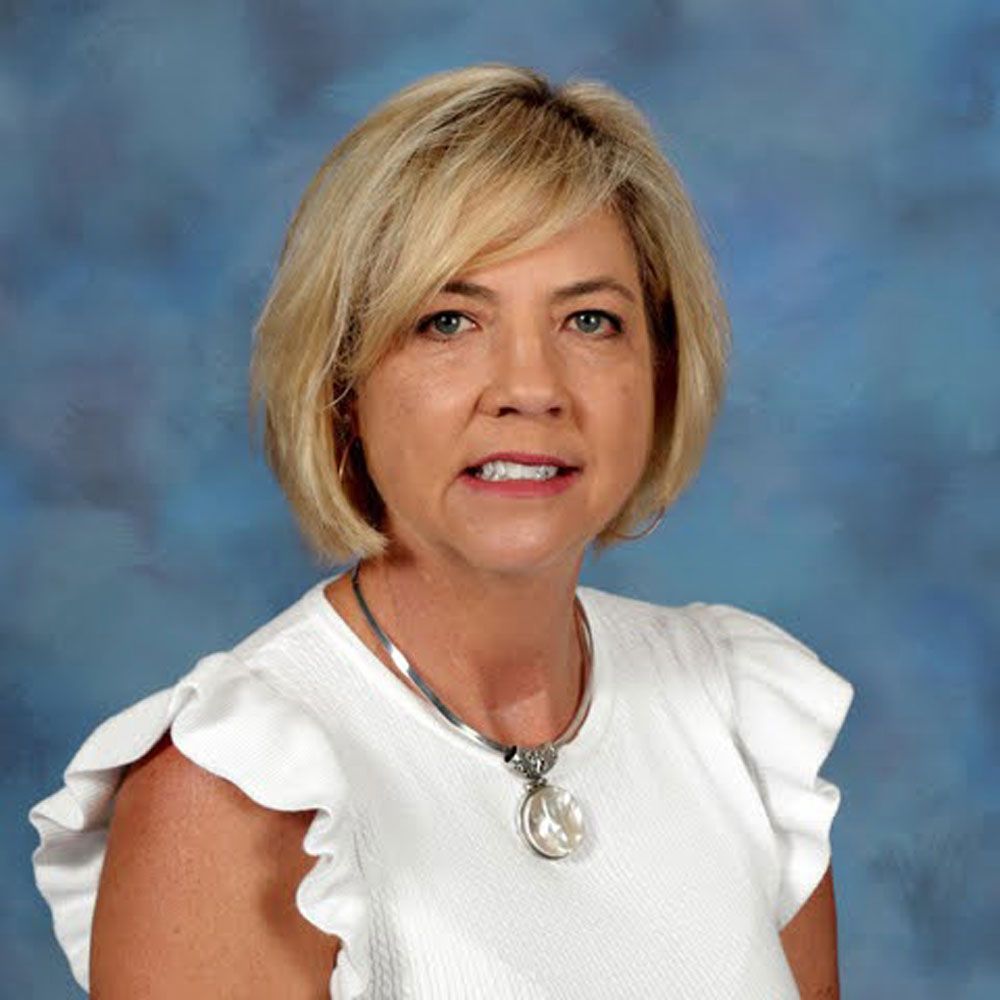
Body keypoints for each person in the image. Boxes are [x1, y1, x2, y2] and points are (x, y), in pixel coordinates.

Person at [29, 63, 855, 998]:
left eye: (590, 319)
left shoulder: (736, 718)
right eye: (447, 321)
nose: (529, 388)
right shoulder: (236, 796)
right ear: (342, 383)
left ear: (661, 369)